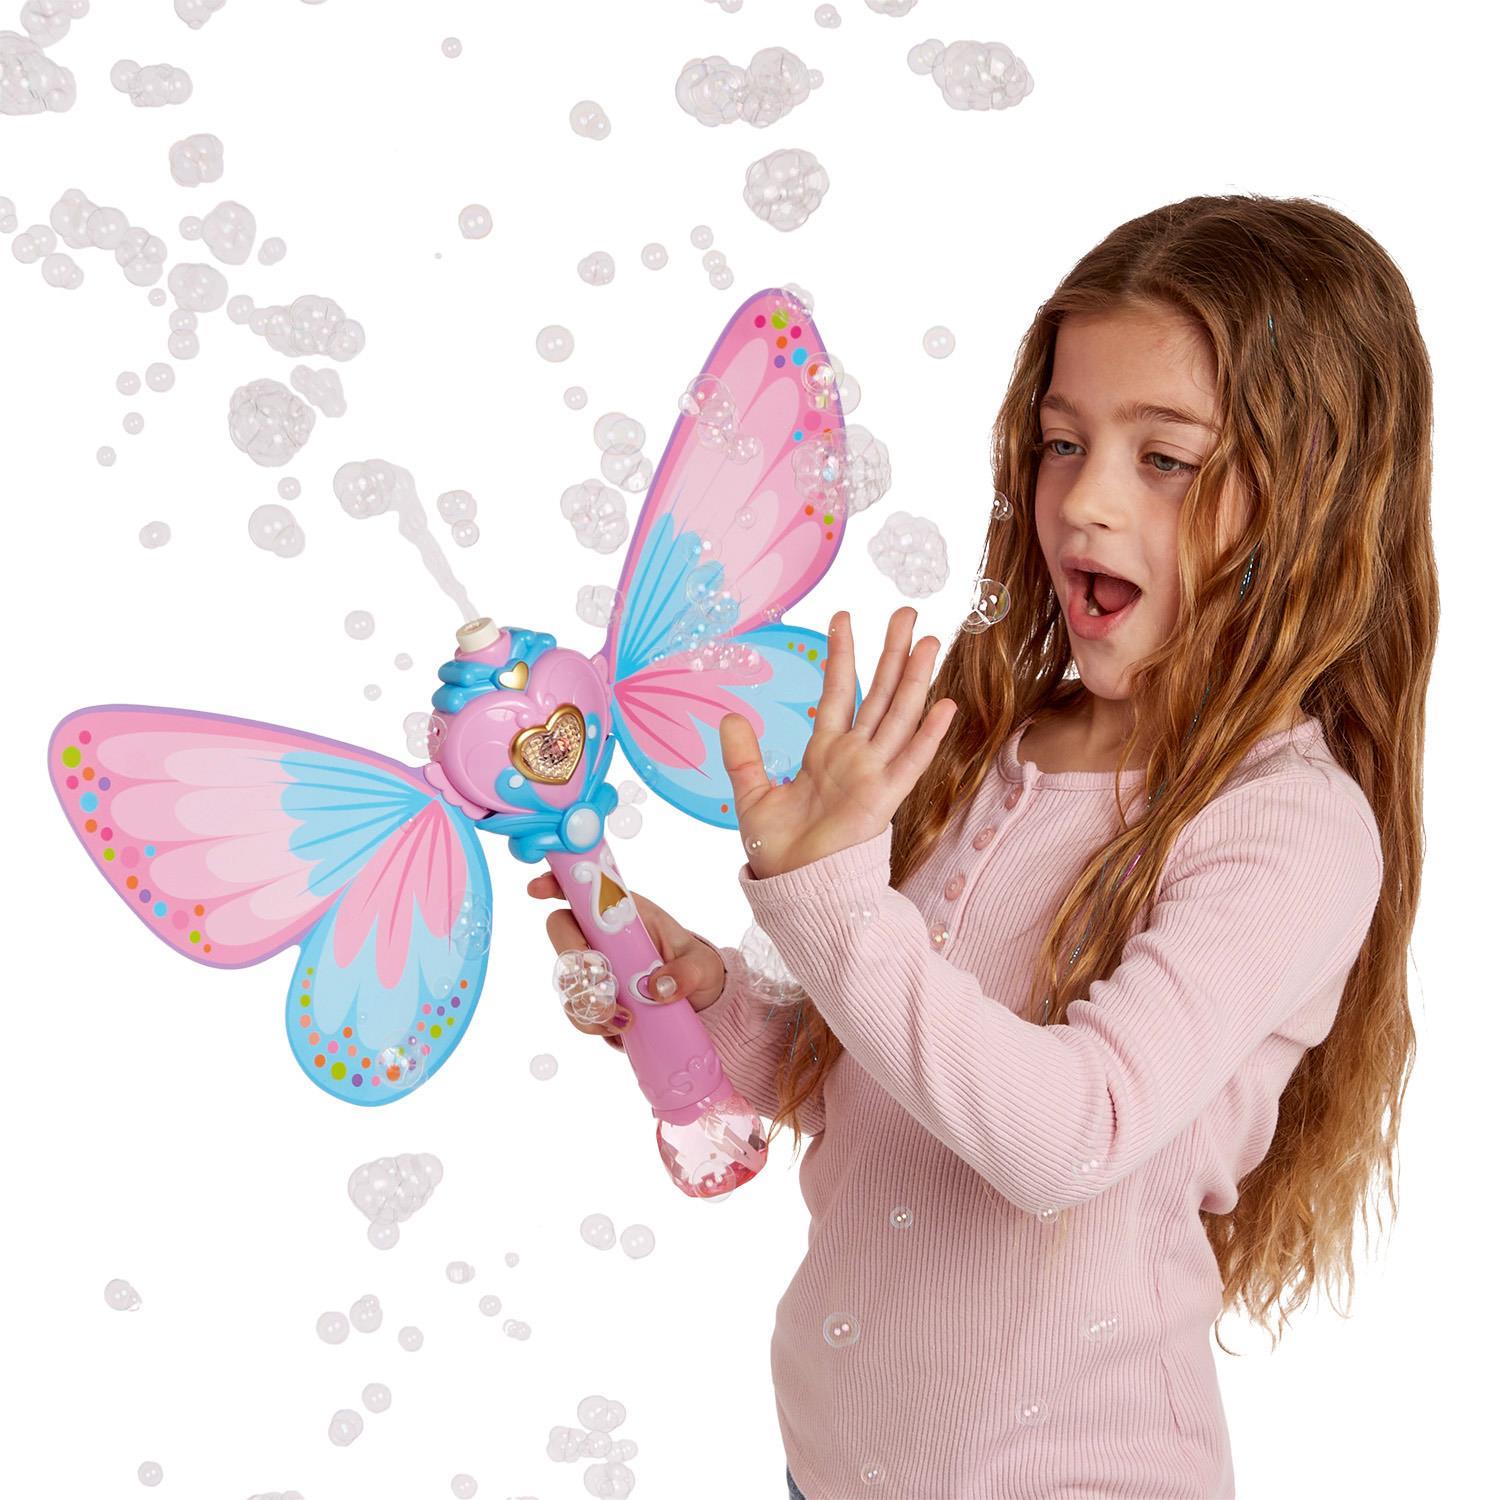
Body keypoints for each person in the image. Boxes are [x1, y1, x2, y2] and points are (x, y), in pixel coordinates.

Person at [528, 193, 1434, 1499]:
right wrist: (709, 1001)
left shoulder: (1285, 826)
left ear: (1318, 499)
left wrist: (833, 906)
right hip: (838, 1462)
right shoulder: (990, 737)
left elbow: (1063, 1136)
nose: (1084, 501)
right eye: (1063, 443)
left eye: (1165, 458)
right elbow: (885, 1075)